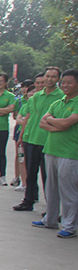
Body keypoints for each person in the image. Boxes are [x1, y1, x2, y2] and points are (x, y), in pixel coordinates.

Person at [32, 69, 78, 238]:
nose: (65, 85)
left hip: (70, 153)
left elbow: (67, 122)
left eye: (69, 82)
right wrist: (58, 124)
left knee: (68, 191)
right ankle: (49, 219)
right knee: (51, 188)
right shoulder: (58, 103)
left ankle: (69, 225)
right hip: (51, 149)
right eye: (63, 82)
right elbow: (43, 123)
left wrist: (56, 122)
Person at [13, 67, 63, 211]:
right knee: (30, 173)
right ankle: (28, 200)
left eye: (53, 77)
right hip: (31, 139)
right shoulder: (35, 96)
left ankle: (51, 208)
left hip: (49, 142)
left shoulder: (60, 97)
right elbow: (28, 117)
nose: (49, 80)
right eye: (47, 76)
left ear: (58, 79)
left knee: (49, 178)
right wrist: (22, 136)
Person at [11, 78, 36, 191]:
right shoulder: (20, 102)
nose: (26, 90)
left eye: (30, 88)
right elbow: (17, 117)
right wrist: (25, 121)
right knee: (20, 156)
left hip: (32, 134)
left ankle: (28, 182)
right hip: (19, 132)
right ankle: (19, 178)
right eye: (24, 87)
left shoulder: (35, 103)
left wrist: (26, 121)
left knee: (30, 159)